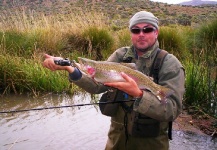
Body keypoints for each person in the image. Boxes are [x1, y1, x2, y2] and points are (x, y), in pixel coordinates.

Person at [43, 11, 185, 150]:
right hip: (116, 141)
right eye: (136, 30)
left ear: (156, 32)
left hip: (151, 144)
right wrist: (70, 68)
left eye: (147, 29)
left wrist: (139, 94)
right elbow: (96, 86)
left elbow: (172, 110)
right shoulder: (120, 55)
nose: (141, 34)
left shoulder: (170, 64)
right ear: (131, 34)